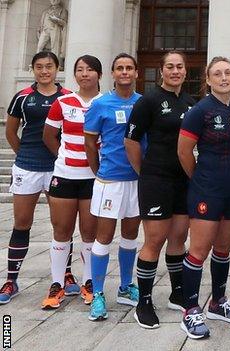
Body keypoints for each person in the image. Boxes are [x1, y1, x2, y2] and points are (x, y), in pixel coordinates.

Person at [125, 51, 195, 329]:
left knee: (179, 238)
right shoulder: (148, 101)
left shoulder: (191, 102)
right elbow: (131, 140)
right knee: (154, 240)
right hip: (156, 178)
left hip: (183, 180)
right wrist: (145, 172)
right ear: (161, 71)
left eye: (179, 67)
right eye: (170, 66)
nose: (175, 71)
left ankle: (177, 293)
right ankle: (144, 301)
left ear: (186, 72)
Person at [177, 56, 230, 339]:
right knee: (199, 250)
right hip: (206, 187)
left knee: (223, 249)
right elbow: (184, 152)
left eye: (228, 72)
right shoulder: (200, 110)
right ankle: (190, 309)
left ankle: (218, 302)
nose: (223, 77)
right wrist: (201, 180)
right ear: (208, 79)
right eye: (217, 73)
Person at [0, 51, 72, 304]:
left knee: (62, 225)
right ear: (33, 69)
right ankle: (11, 279)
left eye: (49, 66)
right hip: (27, 167)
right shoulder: (22, 97)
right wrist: (24, 155)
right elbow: (11, 131)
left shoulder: (67, 97)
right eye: (39, 67)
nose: (44, 71)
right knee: (22, 222)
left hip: (59, 168)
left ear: (57, 68)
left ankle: (67, 274)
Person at [84, 53, 143, 321]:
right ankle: (97, 293)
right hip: (110, 180)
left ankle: (125, 286)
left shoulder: (143, 102)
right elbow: (89, 143)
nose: (125, 72)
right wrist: (98, 171)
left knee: (130, 235)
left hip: (136, 180)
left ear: (136, 73)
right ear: (113, 73)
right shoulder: (101, 104)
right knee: (104, 237)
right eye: (120, 68)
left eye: (129, 68)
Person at [40, 55, 103, 309]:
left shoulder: (105, 102)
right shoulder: (62, 102)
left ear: (99, 74)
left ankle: (89, 283)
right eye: (79, 70)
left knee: (90, 233)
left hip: (93, 179)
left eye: (89, 70)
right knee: (61, 231)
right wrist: (66, 158)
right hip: (65, 176)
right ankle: (57, 284)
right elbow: (49, 136)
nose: (84, 74)